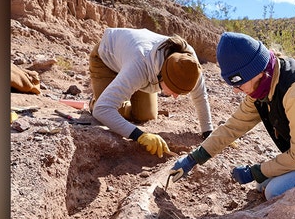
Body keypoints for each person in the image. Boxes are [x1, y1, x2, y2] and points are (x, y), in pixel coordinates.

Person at [171, 32, 295, 217]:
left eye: (238, 84)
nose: (235, 91)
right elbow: (233, 127)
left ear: (255, 72)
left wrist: (255, 171)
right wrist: (193, 159)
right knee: (264, 186)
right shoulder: (262, 86)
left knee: (276, 192)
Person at [89, 28, 213, 158]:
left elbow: (200, 97)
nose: (176, 97)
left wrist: (208, 133)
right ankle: (96, 100)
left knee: (146, 115)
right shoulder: (139, 65)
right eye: (175, 91)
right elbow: (102, 109)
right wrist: (140, 135)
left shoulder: (189, 65)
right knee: (109, 112)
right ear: (163, 76)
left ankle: (121, 90)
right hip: (107, 60)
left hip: (134, 65)